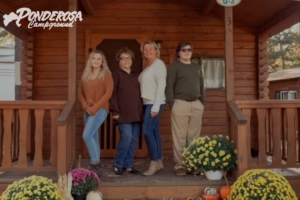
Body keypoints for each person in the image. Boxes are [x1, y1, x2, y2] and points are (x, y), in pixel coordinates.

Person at [165, 41, 206, 176]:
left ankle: (192, 164)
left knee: (194, 137)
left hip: (196, 104)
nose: (187, 52)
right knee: (180, 137)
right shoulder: (174, 67)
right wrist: (172, 104)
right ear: (179, 53)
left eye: (189, 50)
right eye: (184, 50)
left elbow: (201, 86)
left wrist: (202, 103)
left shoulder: (197, 67)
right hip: (180, 104)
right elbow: (169, 86)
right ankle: (180, 166)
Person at [78, 50, 114, 176]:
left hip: (100, 109)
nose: (96, 61)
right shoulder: (86, 74)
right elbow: (80, 92)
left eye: (99, 59)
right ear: (90, 60)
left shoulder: (106, 75)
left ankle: (95, 163)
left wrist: (95, 108)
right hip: (88, 109)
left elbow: (108, 94)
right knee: (93, 137)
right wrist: (85, 106)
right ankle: (97, 167)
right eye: (94, 58)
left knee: (86, 135)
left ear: (102, 61)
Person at [109, 47, 143, 175]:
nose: (126, 61)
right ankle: (118, 164)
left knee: (134, 139)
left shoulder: (135, 75)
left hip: (137, 112)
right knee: (127, 137)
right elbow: (113, 94)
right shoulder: (116, 74)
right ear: (119, 61)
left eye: (128, 58)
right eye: (122, 59)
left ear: (132, 60)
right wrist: (115, 111)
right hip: (122, 113)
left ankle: (129, 165)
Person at [138, 41, 167, 176]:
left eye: (150, 49)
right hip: (147, 103)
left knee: (147, 132)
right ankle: (159, 161)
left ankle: (154, 163)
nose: (148, 51)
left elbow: (161, 85)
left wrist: (155, 106)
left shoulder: (159, 64)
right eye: (145, 49)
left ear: (156, 50)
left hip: (155, 103)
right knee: (154, 133)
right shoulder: (148, 66)